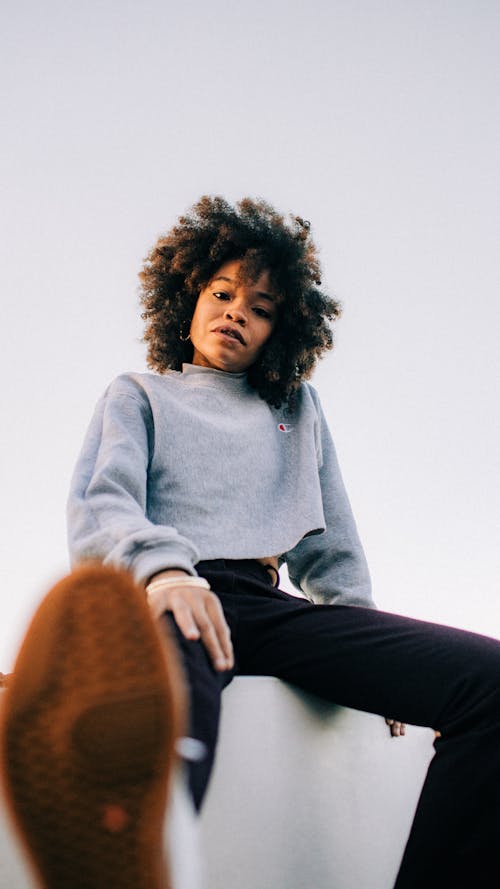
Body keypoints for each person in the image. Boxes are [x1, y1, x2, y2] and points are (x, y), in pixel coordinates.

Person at [2, 196, 500, 889]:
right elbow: (101, 503)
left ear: (281, 331)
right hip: (180, 592)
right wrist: (164, 572)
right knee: (178, 691)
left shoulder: (295, 411)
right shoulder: (140, 394)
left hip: (273, 607)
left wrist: (381, 656)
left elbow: (332, 547)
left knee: (489, 680)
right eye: (223, 292)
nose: (237, 311)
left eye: (261, 307)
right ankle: (149, 854)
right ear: (188, 298)